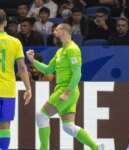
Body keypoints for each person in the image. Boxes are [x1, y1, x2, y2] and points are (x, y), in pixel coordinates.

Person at [26, 23, 104, 150]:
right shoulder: (60, 51)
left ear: (64, 31)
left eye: (56, 29)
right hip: (65, 90)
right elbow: (47, 70)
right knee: (68, 127)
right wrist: (33, 61)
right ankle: (96, 147)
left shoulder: (73, 49)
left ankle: (43, 148)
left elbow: (77, 73)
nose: (54, 32)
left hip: (67, 90)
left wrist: (67, 92)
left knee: (41, 116)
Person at [0, 9, 32, 150]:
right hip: (7, 90)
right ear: (5, 22)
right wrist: (28, 88)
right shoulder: (15, 42)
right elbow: (22, 68)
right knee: (5, 125)